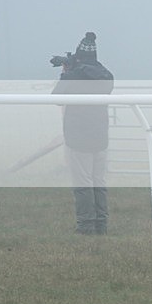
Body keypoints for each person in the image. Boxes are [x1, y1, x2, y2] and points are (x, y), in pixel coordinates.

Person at [51, 32, 114, 235]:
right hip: (100, 136)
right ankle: (101, 225)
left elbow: (57, 98)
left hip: (78, 138)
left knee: (83, 184)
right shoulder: (104, 74)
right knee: (99, 183)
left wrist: (66, 71)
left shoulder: (73, 74)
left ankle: (86, 227)